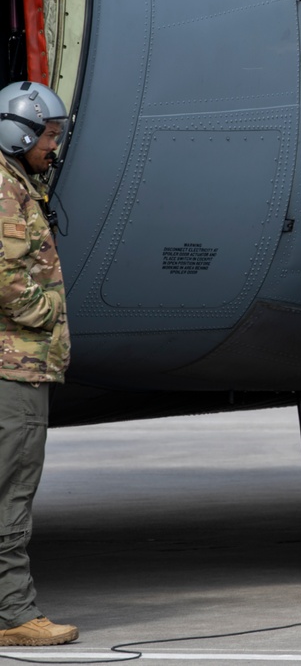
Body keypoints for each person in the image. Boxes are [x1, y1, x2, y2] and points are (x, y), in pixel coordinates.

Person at [0, 81, 76, 646]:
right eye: (49, 135)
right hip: (16, 365)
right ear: (19, 132)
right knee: (13, 491)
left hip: (17, 362)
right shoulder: (6, 188)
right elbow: (7, 279)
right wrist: (48, 309)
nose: (54, 146)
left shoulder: (17, 181)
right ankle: (14, 615)